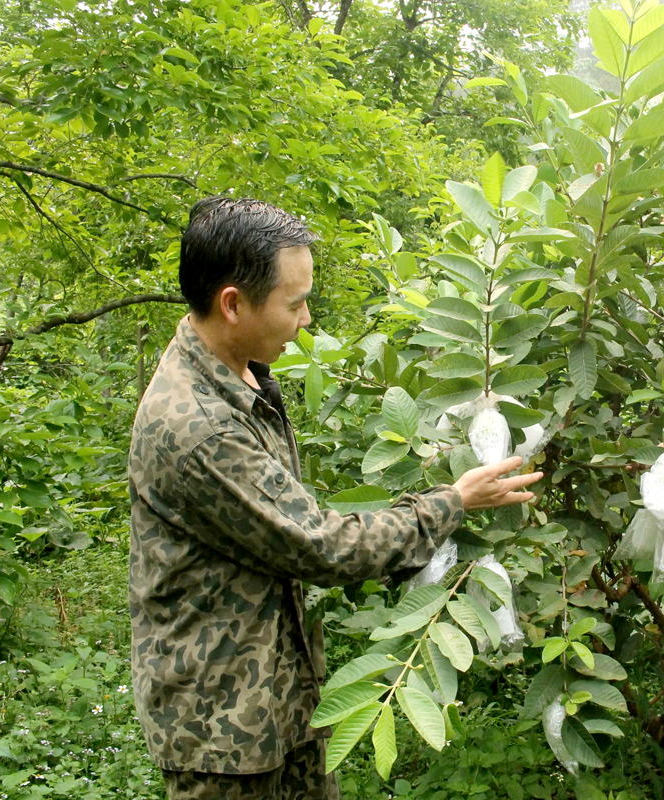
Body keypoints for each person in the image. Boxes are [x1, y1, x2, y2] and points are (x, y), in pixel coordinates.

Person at [127, 197, 541, 800]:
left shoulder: (236, 366)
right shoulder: (199, 428)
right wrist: (452, 501)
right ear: (233, 304)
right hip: (223, 730)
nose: (307, 320)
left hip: (281, 697)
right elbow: (320, 544)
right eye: (294, 304)